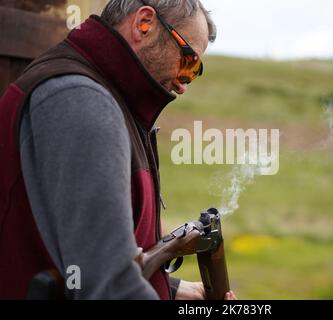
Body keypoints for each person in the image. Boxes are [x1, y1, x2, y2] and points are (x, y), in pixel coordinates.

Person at [0, 0, 236, 300]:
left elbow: (84, 263)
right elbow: (109, 286)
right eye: (187, 61)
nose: (183, 84)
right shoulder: (83, 100)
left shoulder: (101, 97)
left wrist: (171, 289)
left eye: (194, 71)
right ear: (144, 24)